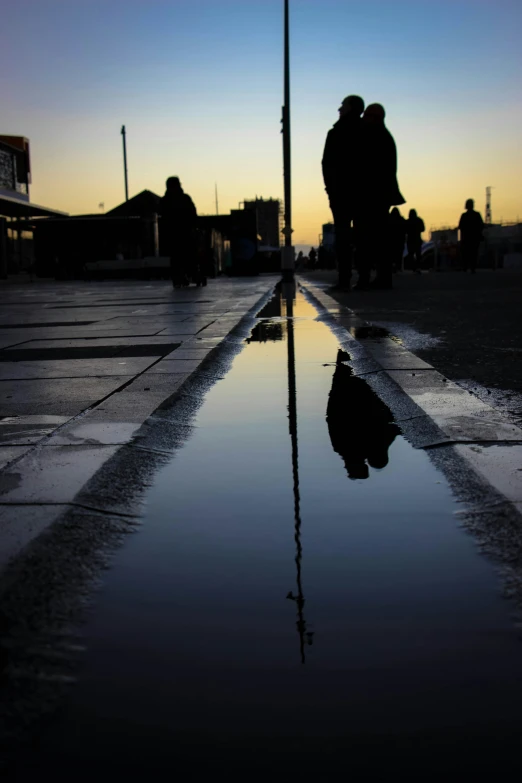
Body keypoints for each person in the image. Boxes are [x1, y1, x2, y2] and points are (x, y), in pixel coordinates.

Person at [326, 349, 400, 479]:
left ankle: (350, 347)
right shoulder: (344, 448)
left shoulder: (357, 448)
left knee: (357, 364)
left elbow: (333, 419)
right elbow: (332, 418)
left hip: (351, 402)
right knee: (352, 364)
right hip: (346, 400)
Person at [359, 103, 405, 289]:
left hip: (375, 195)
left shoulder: (377, 137)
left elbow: (374, 169)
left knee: (375, 238)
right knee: (377, 238)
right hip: (379, 194)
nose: (364, 119)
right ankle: (382, 277)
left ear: (376, 118)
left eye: (368, 116)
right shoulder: (382, 136)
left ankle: (382, 278)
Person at [322, 94, 365, 291]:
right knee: (362, 235)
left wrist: (330, 189)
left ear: (351, 108)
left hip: (341, 193)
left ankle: (345, 278)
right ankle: (363, 277)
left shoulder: (336, 133)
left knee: (343, 237)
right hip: (361, 191)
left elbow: (327, 163)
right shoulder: (367, 131)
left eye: (342, 105)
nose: (339, 109)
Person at [160, 176, 198, 287]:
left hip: (172, 234)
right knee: (189, 255)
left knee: (176, 258)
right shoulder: (185, 199)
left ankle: (179, 277)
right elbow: (193, 214)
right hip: (185, 233)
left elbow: (163, 217)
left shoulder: (164, 201)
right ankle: (191, 274)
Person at [458, 198, 484, 273]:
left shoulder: (464, 215)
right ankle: (472, 267)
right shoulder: (476, 215)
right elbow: (481, 225)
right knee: (474, 253)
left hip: (466, 238)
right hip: (474, 238)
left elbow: (460, 226)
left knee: (466, 253)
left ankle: (465, 267)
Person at [405, 209, 425, 273]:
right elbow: (423, 229)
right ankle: (418, 267)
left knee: (411, 254)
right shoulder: (419, 220)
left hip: (410, 240)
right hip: (417, 239)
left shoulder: (407, 221)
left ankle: (414, 267)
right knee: (418, 254)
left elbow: (405, 230)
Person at [389, 208, 406, 273]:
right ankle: (398, 267)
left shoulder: (389, 219)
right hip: (400, 240)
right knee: (399, 255)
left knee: (391, 254)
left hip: (391, 240)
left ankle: (392, 266)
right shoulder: (401, 220)